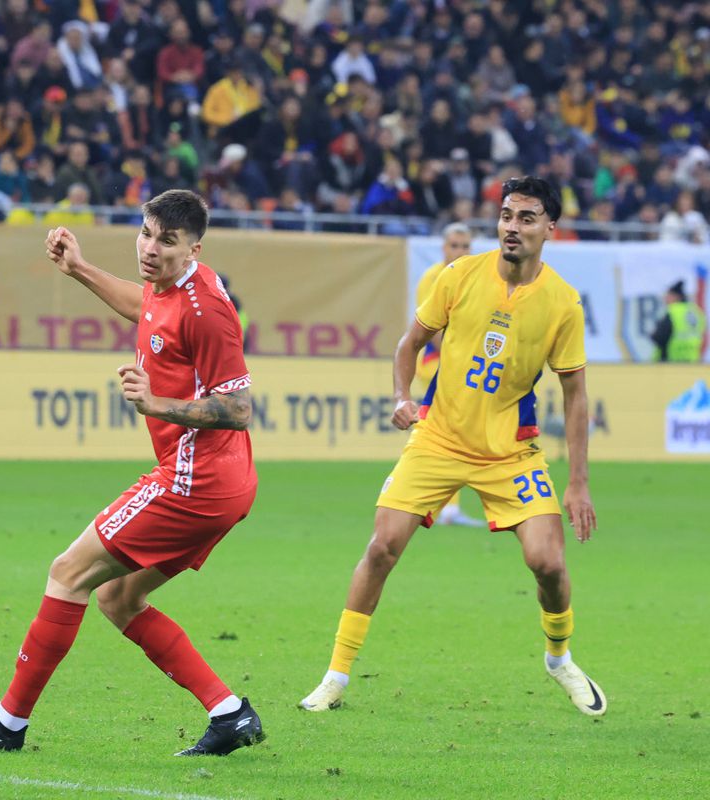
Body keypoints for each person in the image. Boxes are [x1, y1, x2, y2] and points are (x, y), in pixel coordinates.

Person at [299, 177, 605, 717]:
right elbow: (409, 344)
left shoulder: (562, 303)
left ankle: (560, 659)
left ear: (550, 228)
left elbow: (576, 395)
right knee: (381, 547)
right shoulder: (460, 275)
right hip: (438, 438)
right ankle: (335, 676)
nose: (513, 226)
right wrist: (402, 396)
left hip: (510, 450)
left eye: (527, 217)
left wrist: (578, 481)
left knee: (549, 564)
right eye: (507, 215)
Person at [0, 190, 265, 756]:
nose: (150, 249)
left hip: (196, 480)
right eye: (146, 233)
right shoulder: (171, 291)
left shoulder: (208, 309)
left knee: (67, 572)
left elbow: (239, 409)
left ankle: (7, 723)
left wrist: (158, 404)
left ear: (194, 249)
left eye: (167, 242)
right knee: (118, 599)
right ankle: (229, 713)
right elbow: (147, 308)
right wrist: (80, 269)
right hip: (220, 484)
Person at [414, 222, 484, 527]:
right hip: (436, 362)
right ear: (443, 248)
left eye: (465, 246)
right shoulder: (432, 278)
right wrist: (460, 361)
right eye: (454, 245)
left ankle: (432, 502)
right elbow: (430, 329)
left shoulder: (478, 277)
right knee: (453, 431)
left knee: (452, 431)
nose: (459, 251)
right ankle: (447, 507)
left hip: (464, 366)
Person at [651, 280, 706, 363]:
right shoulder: (696, 312)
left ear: (676, 297)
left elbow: (659, 337)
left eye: (668, 296)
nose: (665, 299)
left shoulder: (673, 311)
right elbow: (703, 335)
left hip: (672, 360)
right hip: (693, 361)